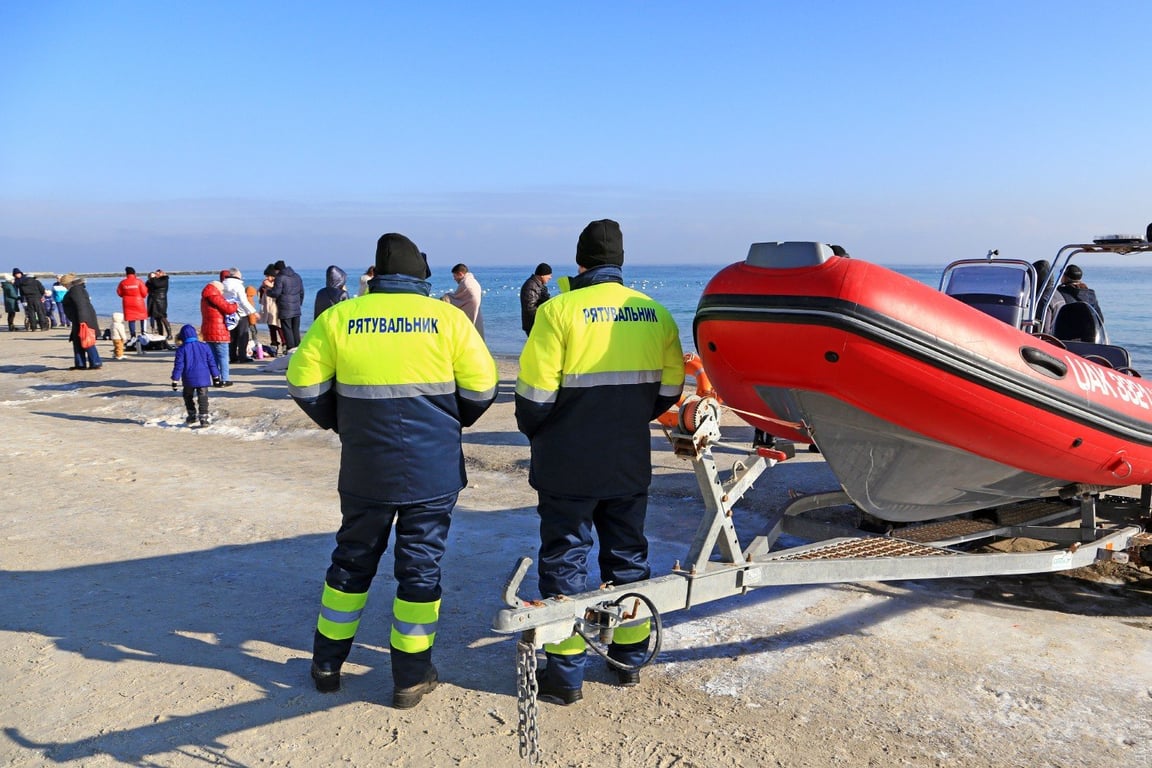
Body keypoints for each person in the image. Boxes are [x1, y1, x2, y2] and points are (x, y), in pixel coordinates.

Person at [287, 232, 498, 709]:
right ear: (421, 276)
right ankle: (410, 676)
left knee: (351, 560)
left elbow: (302, 383)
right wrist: (448, 422)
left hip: (365, 467)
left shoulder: (339, 316)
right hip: (433, 470)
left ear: (376, 276)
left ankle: (326, 666)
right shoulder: (447, 318)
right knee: (420, 571)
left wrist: (343, 422)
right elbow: (483, 389)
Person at [515, 219, 685, 705]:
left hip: (567, 462)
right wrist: (628, 420)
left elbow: (533, 398)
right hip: (628, 458)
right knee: (628, 557)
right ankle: (628, 662)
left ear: (580, 261)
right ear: (621, 263)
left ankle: (565, 676)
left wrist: (545, 432)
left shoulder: (558, 311)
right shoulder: (655, 313)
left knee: (565, 560)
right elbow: (669, 391)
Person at [171, 324, 222, 427]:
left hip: (188, 378)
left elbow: (179, 366)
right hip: (203, 378)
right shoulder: (204, 346)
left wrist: (175, 380)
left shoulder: (181, 349)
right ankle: (203, 418)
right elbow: (211, 363)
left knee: (187, 396)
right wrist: (216, 377)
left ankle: (192, 415)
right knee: (203, 397)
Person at [59, 273, 103, 370]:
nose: (63, 287)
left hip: (82, 319)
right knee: (78, 341)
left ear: (68, 283)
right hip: (79, 318)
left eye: (63, 285)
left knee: (86, 341)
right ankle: (80, 364)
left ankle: (95, 362)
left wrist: (83, 320)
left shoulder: (76, 290)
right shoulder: (76, 289)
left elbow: (81, 305)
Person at [200, 280, 238, 387]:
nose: (222, 292)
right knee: (223, 356)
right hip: (219, 330)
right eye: (221, 290)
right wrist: (235, 304)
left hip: (208, 329)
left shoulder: (205, 296)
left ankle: (215, 379)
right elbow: (228, 308)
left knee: (213, 357)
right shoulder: (214, 295)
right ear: (216, 288)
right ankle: (224, 379)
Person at [220, 268, 259, 364]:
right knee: (243, 335)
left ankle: (232, 356)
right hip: (240, 313)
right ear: (237, 276)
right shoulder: (238, 286)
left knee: (232, 336)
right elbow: (243, 301)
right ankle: (242, 356)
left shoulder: (223, 284)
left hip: (229, 312)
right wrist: (253, 312)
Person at [265, 260, 305, 351]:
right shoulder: (297, 276)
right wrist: (299, 304)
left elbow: (276, 293)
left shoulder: (280, 277)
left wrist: (267, 291)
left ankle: (290, 349)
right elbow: (302, 292)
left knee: (287, 329)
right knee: (295, 330)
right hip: (296, 308)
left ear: (277, 270)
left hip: (285, 307)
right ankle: (298, 349)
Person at [441, 263, 485, 338]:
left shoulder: (465, 283)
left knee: (446, 297)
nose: (454, 279)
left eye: (455, 276)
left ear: (460, 274)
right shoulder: (474, 282)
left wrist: (446, 298)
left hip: (470, 309)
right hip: (476, 313)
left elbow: (456, 298)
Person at [519, 262, 553, 335]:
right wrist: (543, 318)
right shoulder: (531, 286)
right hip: (533, 325)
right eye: (549, 275)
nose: (550, 277)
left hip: (537, 324)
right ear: (542, 275)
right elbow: (530, 309)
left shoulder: (539, 285)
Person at [258, 264, 285, 354]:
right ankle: (274, 345)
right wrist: (263, 288)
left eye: (269, 276)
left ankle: (284, 344)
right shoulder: (264, 285)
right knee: (271, 328)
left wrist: (268, 285)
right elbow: (260, 295)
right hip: (268, 309)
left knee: (279, 327)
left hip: (276, 308)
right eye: (267, 276)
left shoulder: (277, 283)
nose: (267, 278)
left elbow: (277, 291)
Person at [116, 267, 149, 337]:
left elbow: (119, 293)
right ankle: (143, 333)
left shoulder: (123, 282)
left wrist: (125, 296)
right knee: (143, 317)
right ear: (134, 273)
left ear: (126, 274)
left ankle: (133, 335)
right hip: (138, 302)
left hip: (127, 303)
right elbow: (144, 292)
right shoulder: (139, 281)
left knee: (131, 319)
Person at [145, 268, 172, 339]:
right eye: (156, 273)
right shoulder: (153, 281)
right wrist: (151, 278)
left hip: (161, 301)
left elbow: (157, 285)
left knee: (163, 317)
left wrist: (153, 278)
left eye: (157, 273)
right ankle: (161, 334)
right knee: (157, 319)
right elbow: (147, 286)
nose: (156, 275)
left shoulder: (164, 279)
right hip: (153, 301)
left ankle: (169, 334)